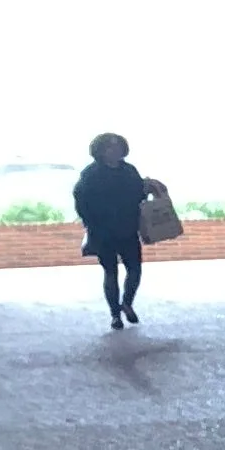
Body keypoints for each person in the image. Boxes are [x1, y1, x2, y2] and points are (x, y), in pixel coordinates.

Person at [74, 130, 148, 328]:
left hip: (128, 229)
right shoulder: (90, 174)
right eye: (109, 147)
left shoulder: (130, 171)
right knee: (110, 272)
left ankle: (127, 303)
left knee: (135, 269)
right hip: (103, 231)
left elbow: (141, 194)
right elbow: (81, 200)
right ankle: (115, 314)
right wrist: (91, 222)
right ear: (100, 150)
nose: (114, 150)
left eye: (117, 146)